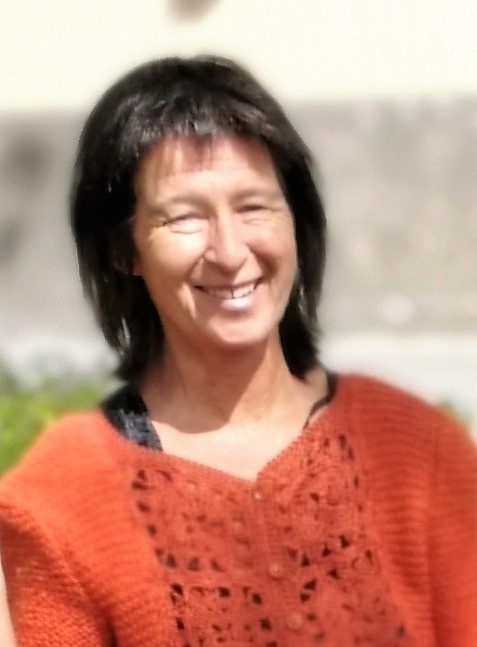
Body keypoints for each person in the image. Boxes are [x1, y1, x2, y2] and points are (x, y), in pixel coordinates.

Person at [0, 55, 476, 647]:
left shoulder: (418, 449)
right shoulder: (61, 496)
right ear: (124, 251)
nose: (229, 251)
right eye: (184, 218)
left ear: (295, 222)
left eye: (253, 207)